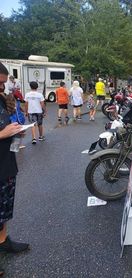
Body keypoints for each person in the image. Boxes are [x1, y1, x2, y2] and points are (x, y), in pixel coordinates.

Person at [0, 63, 30, 276]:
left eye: (4, 82)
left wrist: (14, 132)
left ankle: (3, 242)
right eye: (0, 82)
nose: (3, 86)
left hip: (6, 163)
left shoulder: (1, 99)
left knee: (4, 209)